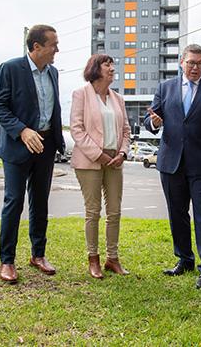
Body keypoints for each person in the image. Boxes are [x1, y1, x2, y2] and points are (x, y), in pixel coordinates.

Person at [144, 44, 201, 289]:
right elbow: (151, 119)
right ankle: (184, 259)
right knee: (177, 214)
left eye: (200, 63)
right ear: (182, 62)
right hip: (171, 162)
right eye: (191, 62)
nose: (195, 67)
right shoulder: (165, 88)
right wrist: (153, 122)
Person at [0, 24, 65, 283]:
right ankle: (7, 261)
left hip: (45, 147)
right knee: (14, 202)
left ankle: (38, 255)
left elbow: (52, 108)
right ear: (36, 47)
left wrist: (57, 140)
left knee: (41, 202)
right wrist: (22, 131)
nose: (57, 49)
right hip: (17, 146)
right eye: (53, 45)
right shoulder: (10, 69)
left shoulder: (53, 72)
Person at [70, 54, 131, 279]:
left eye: (112, 65)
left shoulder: (118, 98)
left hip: (116, 159)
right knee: (93, 212)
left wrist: (123, 152)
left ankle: (112, 259)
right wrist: (100, 155)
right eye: (107, 64)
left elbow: (125, 130)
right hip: (89, 161)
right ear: (95, 69)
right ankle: (93, 259)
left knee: (114, 211)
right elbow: (77, 130)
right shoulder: (81, 94)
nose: (112, 68)